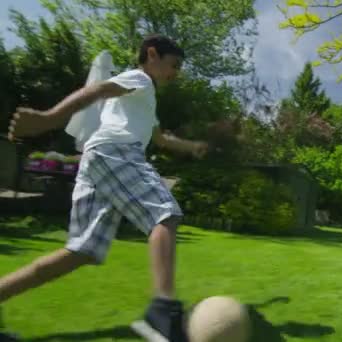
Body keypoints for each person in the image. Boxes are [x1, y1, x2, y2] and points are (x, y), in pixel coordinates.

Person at [0, 34, 220, 341]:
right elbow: (98, 89)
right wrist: (48, 119)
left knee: (81, 251)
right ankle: (162, 312)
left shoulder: (144, 98)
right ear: (152, 55)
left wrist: (190, 146)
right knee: (164, 214)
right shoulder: (139, 79)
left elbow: (159, 138)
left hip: (99, 160)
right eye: (174, 64)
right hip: (115, 152)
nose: (176, 72)